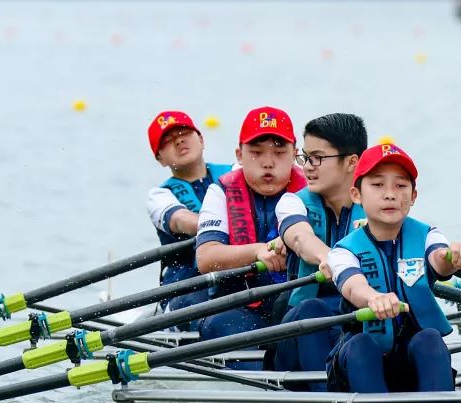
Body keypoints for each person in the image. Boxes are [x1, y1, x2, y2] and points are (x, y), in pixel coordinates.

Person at [326, 143, 461, 403]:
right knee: (362, 345)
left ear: (413, 196)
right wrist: (373, 298)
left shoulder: (428, 235)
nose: (390, 194)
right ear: (356, 194)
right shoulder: (342, 252)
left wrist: (453, 257)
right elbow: (352, 285)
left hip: (411, 363)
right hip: (358, 367)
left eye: (401, 185)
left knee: (430, 338)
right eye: (378, 184)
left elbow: (439, 260)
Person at [194, 106, 306, 366]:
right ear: (239, 155)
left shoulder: (311, 192)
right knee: (220, 324)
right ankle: (260, 388)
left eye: (279, 153)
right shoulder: (220, 191)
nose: (268, 162)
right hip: (239, 308)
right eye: (256, 153)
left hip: (295, 306)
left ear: (295, 155)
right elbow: (206, 258)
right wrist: (257, 251)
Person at [270, 113, 368, 388]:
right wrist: (333, 260)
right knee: (312, 309)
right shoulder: (292, 202)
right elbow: (300, 238)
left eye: (317, 158)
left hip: (356, 321)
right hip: (298, 330)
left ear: (351, 162)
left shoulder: (378, 206)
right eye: (305, 158)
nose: (307, 168)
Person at [145, 110, 231, 323]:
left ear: (201, 139)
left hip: (236, 267)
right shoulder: (159, 195)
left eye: (185, 132)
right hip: (188, 282)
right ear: (159, 158)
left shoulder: (235, 171)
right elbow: (183, 220)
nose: (179, 140)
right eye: (168, 140)